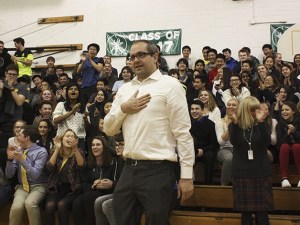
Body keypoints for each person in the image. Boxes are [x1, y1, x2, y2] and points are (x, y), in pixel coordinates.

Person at [104, 40, 194, 225]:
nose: (135, 60)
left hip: (158, 170)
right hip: (129, 169)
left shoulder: (171, 85)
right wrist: (123, 109)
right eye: (132, 57)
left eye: (141, 55)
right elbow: (109, 129)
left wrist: (186, 175)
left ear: (155, 57)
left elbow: (183, 133)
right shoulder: (125, 89)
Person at [228, 96, 273, 225]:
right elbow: (235, 142)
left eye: (256, 109)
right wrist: (235, 125)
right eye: (252, 110)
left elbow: (266, 142)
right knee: (245, 215)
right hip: (242, 173)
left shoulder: (262, 124)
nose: (255, 112)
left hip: (261, 173)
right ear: (244, 110)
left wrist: (261, 122)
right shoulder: (235, 124)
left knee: (263, 214)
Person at [5, 125, 48, 225]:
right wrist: (10, 160)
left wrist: (22, 160)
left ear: (27, 137)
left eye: (20, 135)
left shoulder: (41, 151)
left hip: (38, 185)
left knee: (30, 203)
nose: (17, 137)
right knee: (16, 206)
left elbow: (35, 175)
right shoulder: (19, 151)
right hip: (22, 187)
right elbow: (9, 175)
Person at [72, 136, 119, 225]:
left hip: (109, 192)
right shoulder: (90, 162)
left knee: (88, 198)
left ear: (104, 147)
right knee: (76, 203)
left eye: (98, 145)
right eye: (93, 145)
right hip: (93, 191)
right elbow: (84, 183)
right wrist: (93, 185)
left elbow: (120, 183)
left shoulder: (114, 162)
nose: (95, 147)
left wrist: (111, 184)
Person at [44, 129, 85, 225]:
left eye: (72, 136)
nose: (70, 138)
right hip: (56, 188)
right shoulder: (55, 151)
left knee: (61, 205)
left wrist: (75, 149)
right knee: (49, 206)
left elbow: (82, 166)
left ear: (76, 140)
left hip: (72, 190)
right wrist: (57, 149)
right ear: (62, 139)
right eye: (67, 136)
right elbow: (49, 168)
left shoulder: (78, 152)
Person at [0, 64, 29, 149]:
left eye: (14, 74)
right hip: (2, 120)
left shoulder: (22, 87)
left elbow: (19, 102)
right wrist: (1, 89)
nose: (11, 76)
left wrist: (11, 88)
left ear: (17, 75)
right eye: (10, 74)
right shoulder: (1, 84)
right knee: (2, 149)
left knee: (14, 148)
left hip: (15, 121)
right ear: (6, 74)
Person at [190, 99, 219, 184]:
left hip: (205, 151)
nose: (194, 111)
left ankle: (208, 184)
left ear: (202, 110)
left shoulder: (210, 124)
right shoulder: (187, 124)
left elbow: (214, 143)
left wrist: (203, 151)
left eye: (197, 109)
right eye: (192, 109)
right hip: (191, 150)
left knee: (209, 156)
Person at [275, 101, 300, 188]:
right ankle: (284, 178)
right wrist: (288, 133)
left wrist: (295, 132)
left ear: (293, 111)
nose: (284, 112)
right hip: (284, 151)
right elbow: (279, 143)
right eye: (282, 110)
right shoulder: (279, 125)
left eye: (287, 110)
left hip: (298, 149)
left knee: (297, 146)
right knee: (284, 146)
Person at [216, 98, 239, 186]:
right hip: (224, 149)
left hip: (238, 148)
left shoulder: (243, 121)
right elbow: (221, 142)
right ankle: (224, 185)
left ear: (238, 107)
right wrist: (230, 125)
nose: (231, 107)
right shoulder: (220, 121)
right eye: (229, 104)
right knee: (229, 158)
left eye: (234, 105)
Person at [77, 43, 104, 108]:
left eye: (94, 50)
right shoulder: (83, 60)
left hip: (93, 85)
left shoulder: (99, 59)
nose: (92, 50)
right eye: (90, 49)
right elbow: (78, 71)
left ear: (96, 52)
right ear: (88, 51)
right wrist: (83, 61)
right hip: (83, 86)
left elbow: (99, 69)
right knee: (83, 105)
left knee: (91, 105)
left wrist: (90, 59)